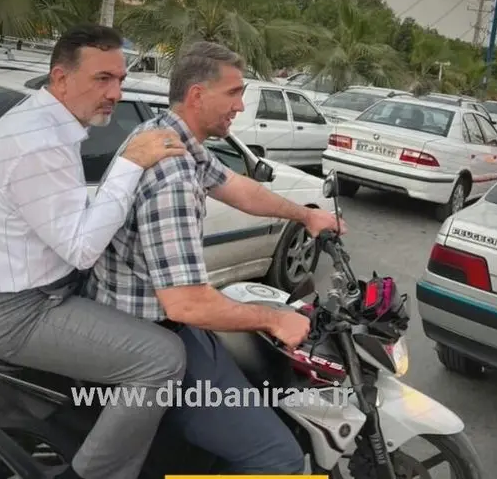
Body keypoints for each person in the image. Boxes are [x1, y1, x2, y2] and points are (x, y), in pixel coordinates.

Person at [83, 40, 348, 474]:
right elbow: (186, 304)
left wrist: (306, 215)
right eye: (234, 93)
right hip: (154, 331)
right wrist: (274, 320)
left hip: (154, 318)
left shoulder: (168, 135)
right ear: (197, 96)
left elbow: (236, 186)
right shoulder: (172, 176)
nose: (241, 106)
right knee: (278, 458)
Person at [0, 23, 190, 479]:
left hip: (30, 290)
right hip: (16, 309)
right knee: (162, 358)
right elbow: (80, 248)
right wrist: (131, 162)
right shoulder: (37, 143)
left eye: (120, 79)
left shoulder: (42, 124)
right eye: (102, 79)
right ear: (60, 78)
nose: (115, 93)